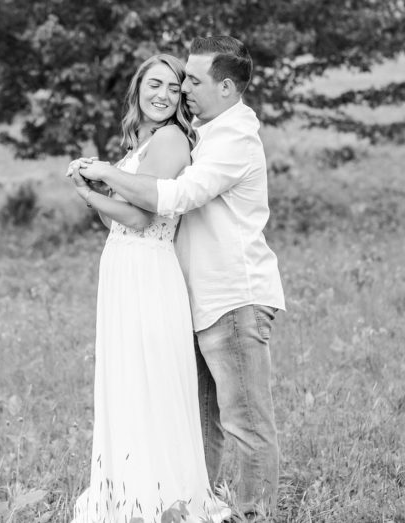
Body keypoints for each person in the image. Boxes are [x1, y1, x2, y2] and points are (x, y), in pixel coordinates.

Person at [77, 36, 285, 520]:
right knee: (198, 422)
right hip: (194, 298)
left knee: (246, 423)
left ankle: (253, 516)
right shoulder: (208, 132)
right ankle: (190, 506)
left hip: (233, 297)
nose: (183, 89)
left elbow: (176, 196)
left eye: (192, 80)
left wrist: (105, 173)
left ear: (227, 87)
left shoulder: (235, 140)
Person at [66, 53, 228, 523]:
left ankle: (161, 498)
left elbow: (141, 216)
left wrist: (91, 190)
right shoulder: (142, 140)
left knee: (150, 380)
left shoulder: (172, 139)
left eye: (174, 88)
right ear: (137, 88)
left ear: (182, 98)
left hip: (149, 270)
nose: (163, 95)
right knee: (127, 379)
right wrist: (94, 188)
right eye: (154, 85)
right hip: (123, 267)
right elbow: (116, 213)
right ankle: (131, 489)